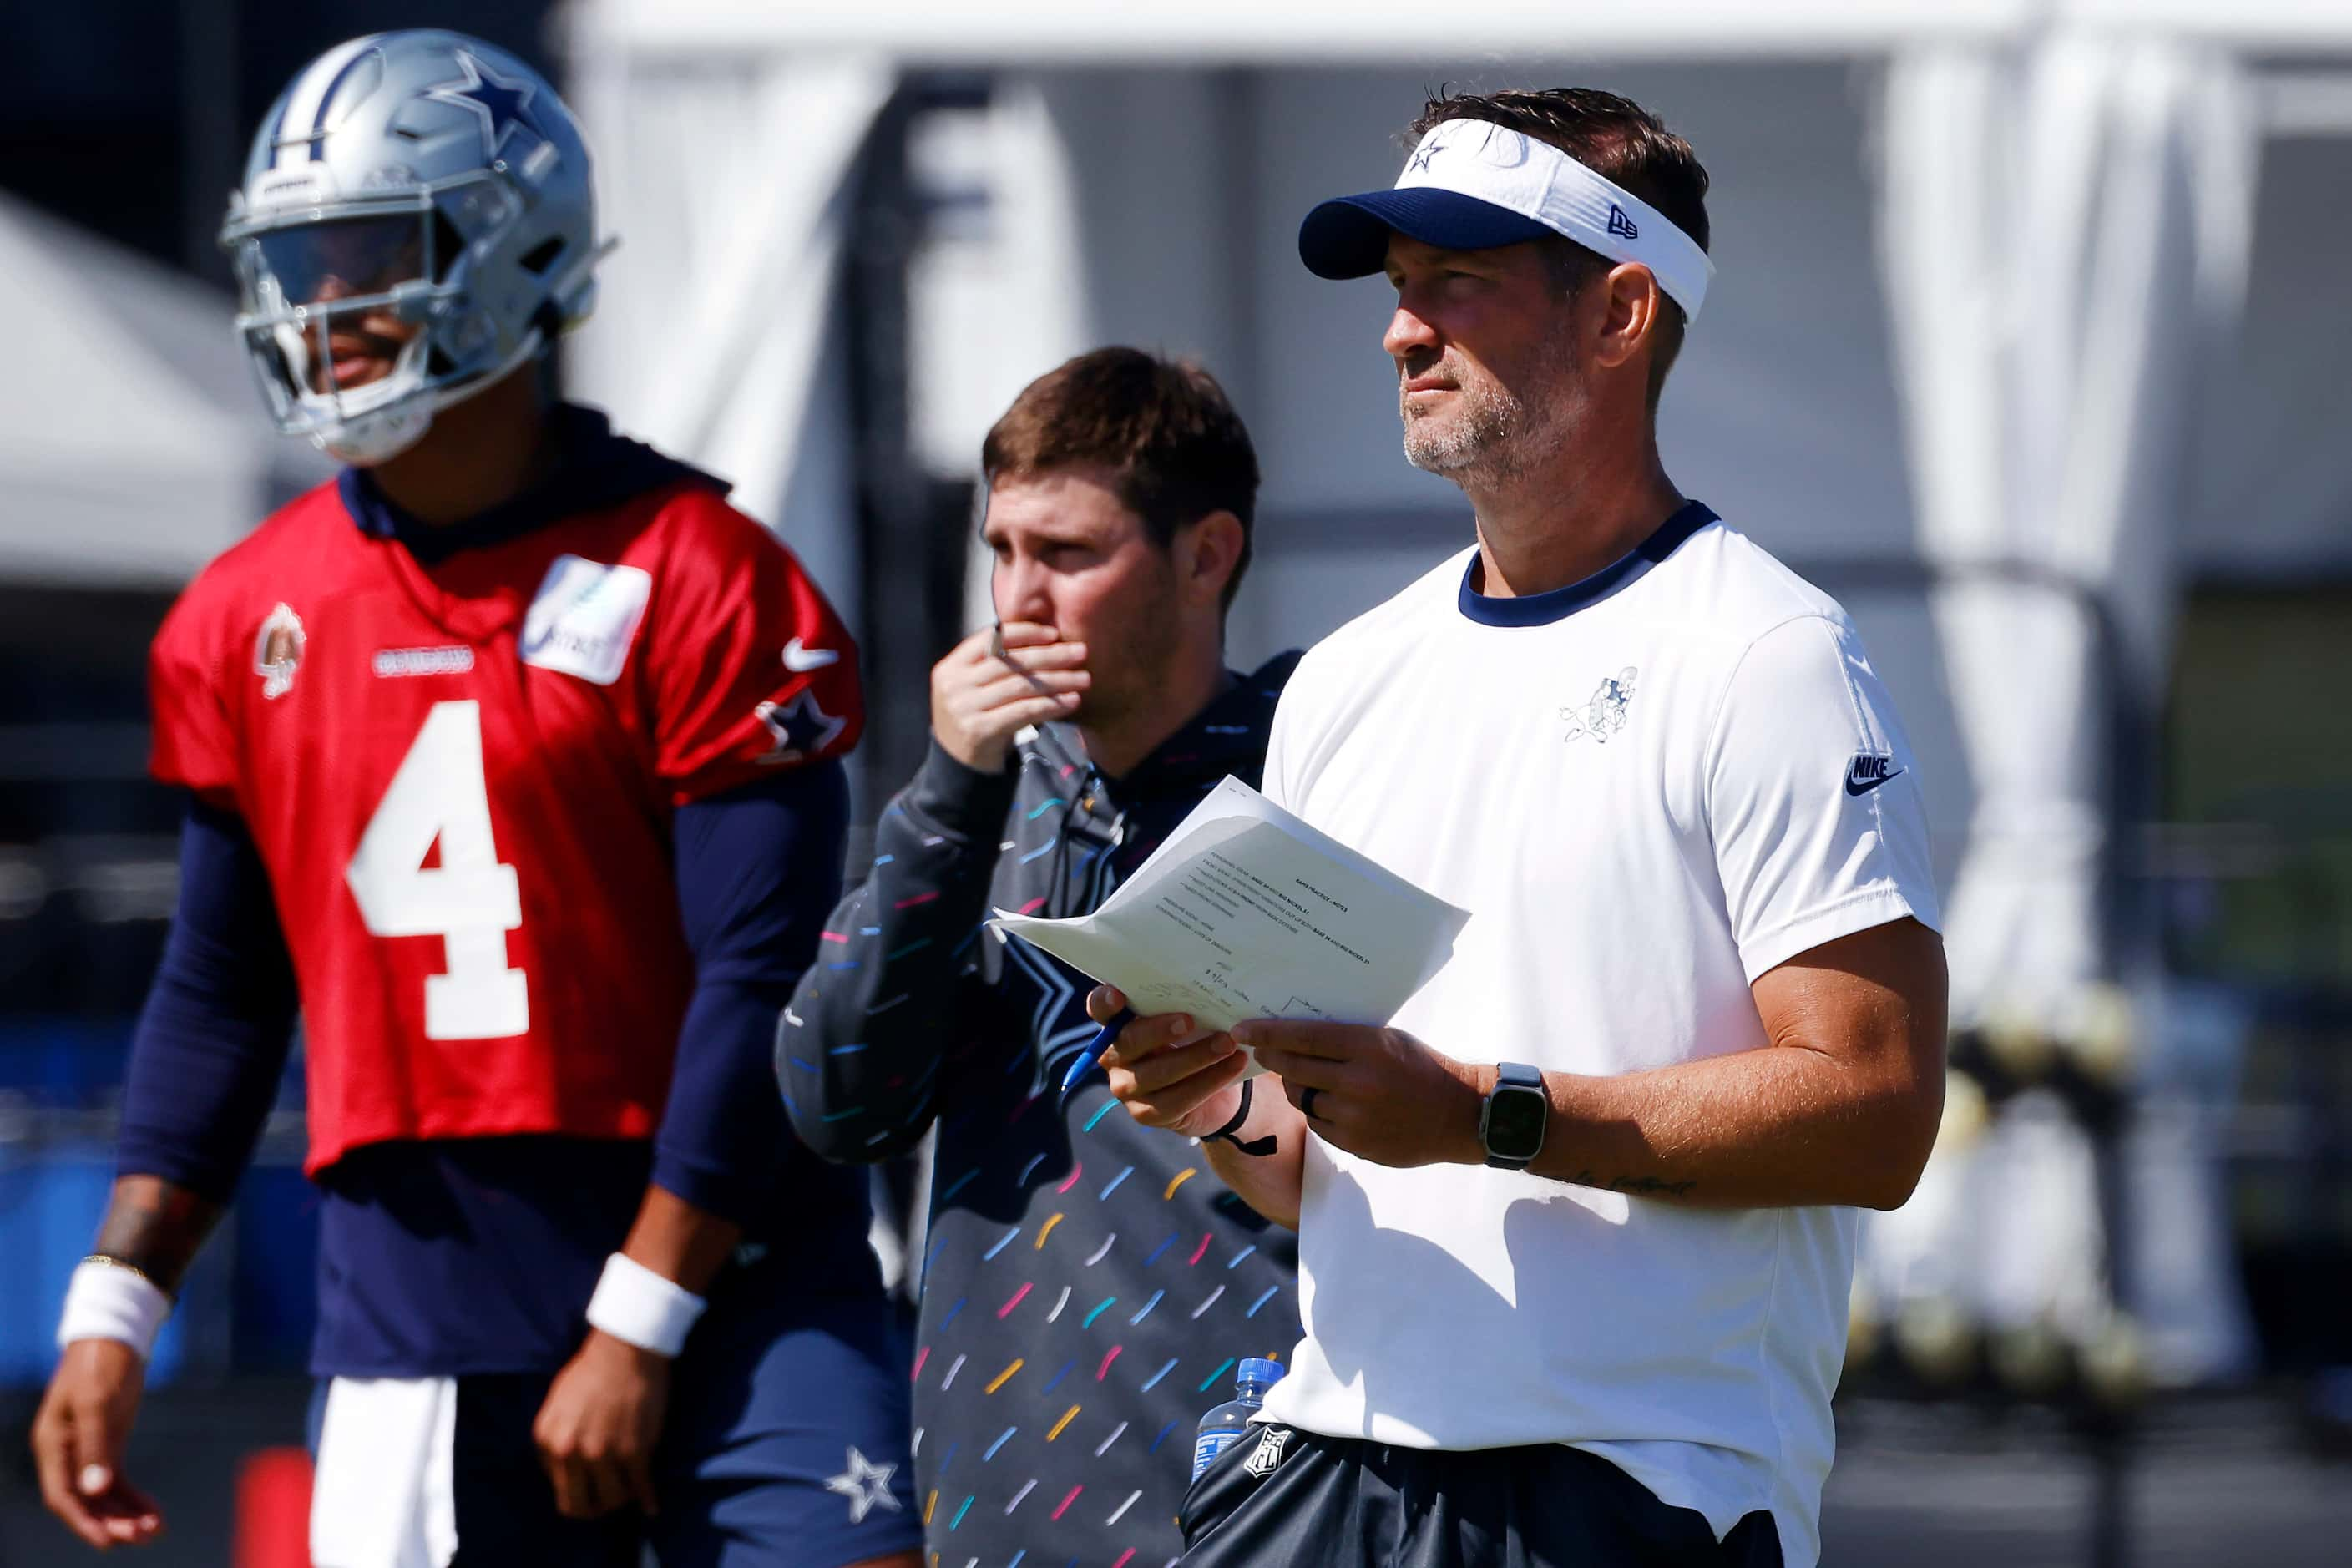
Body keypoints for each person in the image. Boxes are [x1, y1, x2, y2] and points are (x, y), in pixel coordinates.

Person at [28, 30, 920, 1568]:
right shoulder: (248, 615)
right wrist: (119, 1296)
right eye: (295, 265)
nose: (322, 308)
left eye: (366, 254)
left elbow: (757, 978)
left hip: (740, 1263)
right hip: (427, 1299)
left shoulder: (701, 576)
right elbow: (222, 988)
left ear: (518, 250)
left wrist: (641, 1316)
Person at [1094, 89, 1950, 1568]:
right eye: (1399, 291)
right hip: (1327, 1462)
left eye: (1459, 285)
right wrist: (1223, 1099)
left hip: (1632, 1489)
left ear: (1622, 314)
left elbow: (1877, 1108)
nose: (1401, 331)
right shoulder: (1349, 678)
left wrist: (1486, 1112)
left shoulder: (1770, 656)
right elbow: (1321, 1166)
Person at [779, 347, 1306, 1567]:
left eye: (1067, 554)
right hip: (991, 1507)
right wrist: (950, 794)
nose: (1016, 599)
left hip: (1259, 1500)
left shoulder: (1313, 785)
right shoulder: (974, 810)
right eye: (1000, 549)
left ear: (1206, 555)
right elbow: (832, 1098)